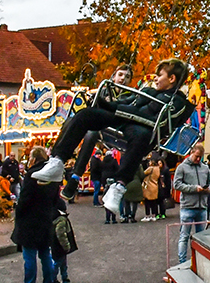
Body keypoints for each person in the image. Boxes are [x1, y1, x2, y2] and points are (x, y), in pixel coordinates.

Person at [34, 59, 195, 222]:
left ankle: (119, 185)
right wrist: (105, 104)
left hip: (145, 129)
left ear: (172, 79)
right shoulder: (149, 92)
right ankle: (58, 160)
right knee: (85, 115)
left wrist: (114, 108)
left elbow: (152, 119)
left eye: (160, 75)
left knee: (142, 137)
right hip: (123, 120)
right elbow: (127, 103)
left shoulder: (178, 102)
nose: (155, 79)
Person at [62, 64, 135, 200]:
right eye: (120, 75)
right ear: (113, 77)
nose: (123, 79)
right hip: (99, 124)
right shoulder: (104, 91)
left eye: (127, 77)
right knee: (72, 122)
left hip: (114, 128)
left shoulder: (131, 96)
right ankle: (59, 159)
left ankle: (76, 175)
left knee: (92, 133)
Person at [11, 147, 60, 283]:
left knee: (30, 256)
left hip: (30, 220)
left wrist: (18, 213)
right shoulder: (53, 174)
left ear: (33, 158)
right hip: (45, 217)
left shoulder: (32, 175)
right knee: (45, 254)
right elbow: (55, 198)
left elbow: (25, 198)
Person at [172, 144, 210, 265]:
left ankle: (200, 263)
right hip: (188, 207)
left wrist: (208, 189)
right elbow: (177, 185)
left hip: (202, 207)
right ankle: (182, 262)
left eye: (200, 157)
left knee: (202, 238)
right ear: (191, 153)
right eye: (196, 156)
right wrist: (194, 188)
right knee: (184, 236)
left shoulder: (205, 168)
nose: (198, 159)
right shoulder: (182, 168)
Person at [50, 196, 77, 283]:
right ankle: (56, 279)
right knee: (59, 263)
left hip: (55, 244)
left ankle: (63, 278)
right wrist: (67, 246)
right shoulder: (61, 219)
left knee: (61, 262)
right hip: (60, 245)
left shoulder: (53, 217)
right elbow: (61, 234)